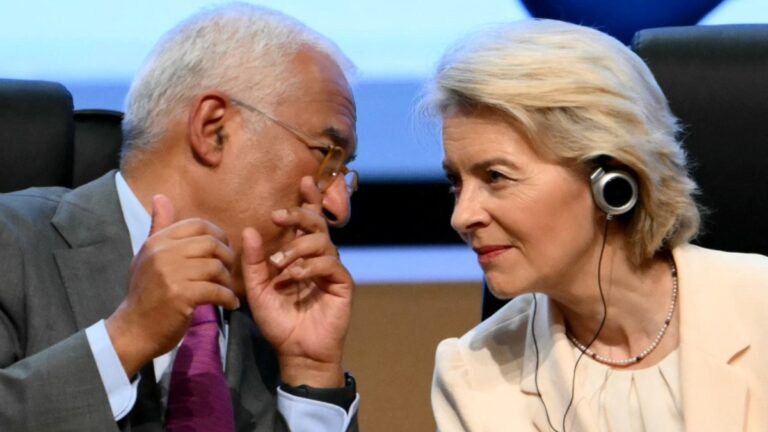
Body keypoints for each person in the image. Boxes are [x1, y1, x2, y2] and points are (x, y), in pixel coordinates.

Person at [0, 3, 361, 431]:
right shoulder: (12, 245)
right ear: (213, 129)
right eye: (326, 156)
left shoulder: (271, 330)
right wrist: (124, 340)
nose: (339, 206)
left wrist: (310, 375)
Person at [424, 19, 768, 432]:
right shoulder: (472, 377)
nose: (462, 216)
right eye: (456, 183)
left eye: (496, 176)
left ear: (612, 179)